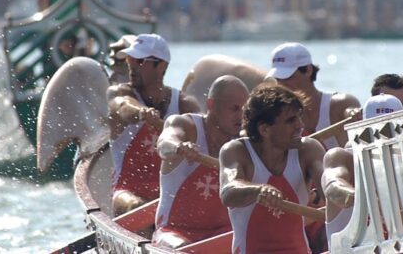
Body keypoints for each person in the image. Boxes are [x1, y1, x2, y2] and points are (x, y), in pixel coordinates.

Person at [219, 84, 326, 254]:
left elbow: (327, 184)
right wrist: (259, 190)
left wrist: (341, 192)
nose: (301, 126)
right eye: (291, 120)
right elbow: (228, 192)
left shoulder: (308, 150)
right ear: (264, 129)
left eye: (299, 117)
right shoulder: (236, 151)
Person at [106, 33, 200, 216]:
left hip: (170, 195)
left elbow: (207, 136)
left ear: (161, 66)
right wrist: (141, 112)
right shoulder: (119, 92)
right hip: (127, 193)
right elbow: (123, 106)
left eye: (140, 61)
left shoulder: (185, 104)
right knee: (137, 207)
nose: (131, 65)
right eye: (130, 59)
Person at [153, 75, 249, 248]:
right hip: (175, 232)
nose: (240, 116)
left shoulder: (243, 142)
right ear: (211, 105)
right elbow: (163, 145)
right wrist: (178, 147)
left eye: (244, 110)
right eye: (234, 109)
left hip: (223, 232)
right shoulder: (186, 126)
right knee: (180, 249)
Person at [322, 94, 403, 247]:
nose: (381, 137)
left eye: (388, 129)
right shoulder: (341, 157)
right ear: (361, 127)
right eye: (373, 129)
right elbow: (333, 187)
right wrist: (363, 200)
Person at [267, 42, 361, 149]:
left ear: (308, 70)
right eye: (278, 79)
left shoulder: (340, 103)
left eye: (287, 77)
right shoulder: (277, 115)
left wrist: (353, 113)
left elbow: (349, 109)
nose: (281, 85)